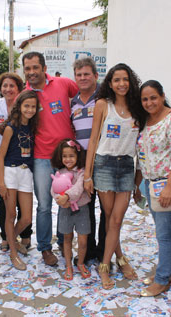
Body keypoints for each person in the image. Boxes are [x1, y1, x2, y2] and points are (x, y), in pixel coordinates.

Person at [84, 63, 146, 289]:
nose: (121, 84)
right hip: (104, 165)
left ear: (131, 82)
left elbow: (163, 110)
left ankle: (107, 262)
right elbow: (93, 140)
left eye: (125, 79)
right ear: (110, 83)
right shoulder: (103, 105)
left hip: (127, 166)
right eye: (117, 80)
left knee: (116, 220)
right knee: (110, 218)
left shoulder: (138, 106)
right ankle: (115, 261)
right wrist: (88, 175)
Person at [23, 51, 78, 266]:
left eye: (35, 67)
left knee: (66, 203)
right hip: (41, 158)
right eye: (27, 69)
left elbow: (86, 93)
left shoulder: (64, 83)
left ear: (44, 68)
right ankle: (45, 248)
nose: (32, 72)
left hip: (67, 158)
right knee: (44, 205)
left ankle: (64, 244)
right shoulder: (25, 95)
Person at [134, 80, 171, 296]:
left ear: (163, 96)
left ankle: (163, 278)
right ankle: (166, 270)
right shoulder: (145, 121)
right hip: (150, 183)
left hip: (167, 184)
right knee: (160, 232)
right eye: (145, 99)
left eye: (153, 97)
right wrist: (138, 184)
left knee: (164, 233)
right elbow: (141, 154)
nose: (149, 102)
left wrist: (169, 185)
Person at [0, 72, 32, 252]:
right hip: (1, 154)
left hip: (22, 156)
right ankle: (6, 237)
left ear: (19, 88)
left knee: (24, 198)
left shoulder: (25, 105)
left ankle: (25, 234)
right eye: (4, 86)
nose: (7, 89)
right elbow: (3, 132)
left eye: (11, 86)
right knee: (4, 198)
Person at [0, 90, 39, 270]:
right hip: (10, 172)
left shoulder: (33, 127)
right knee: (11, 214)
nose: (29, 110)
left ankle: (11, 240)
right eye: (26, 106)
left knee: (27, 217)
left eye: (33, 106)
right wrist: (1, 183)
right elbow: (0, 156)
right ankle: (13, 253)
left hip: (26, 173)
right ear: (19, 106)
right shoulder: (10, 127)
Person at [70, 57, 106, 264]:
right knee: (87, 208)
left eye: (86, 74)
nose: (83, 78)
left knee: (107, 211)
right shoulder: (73, 102)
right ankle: (89, 249)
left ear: (95, 75)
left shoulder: (105, 98)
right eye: (79, 75)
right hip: (83, 164)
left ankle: (104, 252)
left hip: (104, 160)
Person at [51, 139, 91, 281]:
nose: (68, 159)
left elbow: (79, 188)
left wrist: (66, 197)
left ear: (78, 156)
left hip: (82, 209)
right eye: (64, 156)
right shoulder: (59, 172)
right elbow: (54, 189)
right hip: (65, 210)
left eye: (71, 156)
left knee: (83, 240)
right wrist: (59, 199)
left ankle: (80, 262)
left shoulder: (82, 172)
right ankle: (68, 264)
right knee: (67, 238)